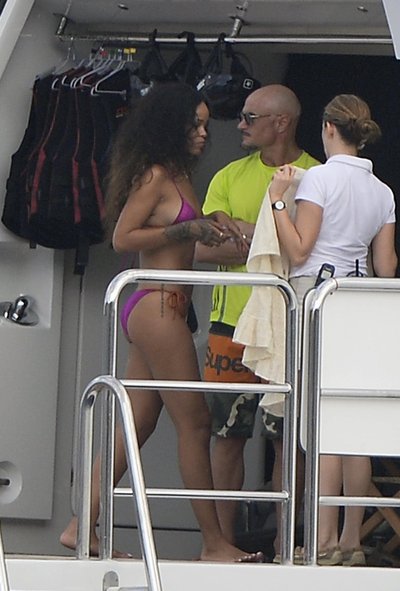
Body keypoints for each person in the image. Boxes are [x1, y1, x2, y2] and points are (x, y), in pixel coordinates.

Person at [60, 81, 264, 563]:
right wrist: (187, 228)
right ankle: (213, 543)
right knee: (194, 423)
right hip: (157, 306)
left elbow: (179, 229)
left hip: (158, 307)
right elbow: (122, 238)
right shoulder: (154, 175)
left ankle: (80, 525)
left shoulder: (176, 174)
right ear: (170, 126)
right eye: (194, 124)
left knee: (137, 421)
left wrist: (210, 219)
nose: (203, 133)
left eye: (204, 124)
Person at [269, 93, 397, 566]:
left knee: (322, 420)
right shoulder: (383, 191)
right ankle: (350, 540)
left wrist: (277, 202)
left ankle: (322, 540)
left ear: (328, 128)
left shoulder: (318, 178)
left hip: (318, 293)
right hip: (360, 297)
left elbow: (300, 250)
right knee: (354, 421)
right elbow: (387, 266)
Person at [195, 84, 320, 560]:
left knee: (291, 441)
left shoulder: (318, 177)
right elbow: (203, 247)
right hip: (230, 325)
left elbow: (310, 251)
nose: (239, 124)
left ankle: (287, 543)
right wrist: (272, 237)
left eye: (250, 117)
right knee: (227, 437)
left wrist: (244, 234)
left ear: (280, 123)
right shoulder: (228, 175)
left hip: (291, 329)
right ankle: (222, 546)